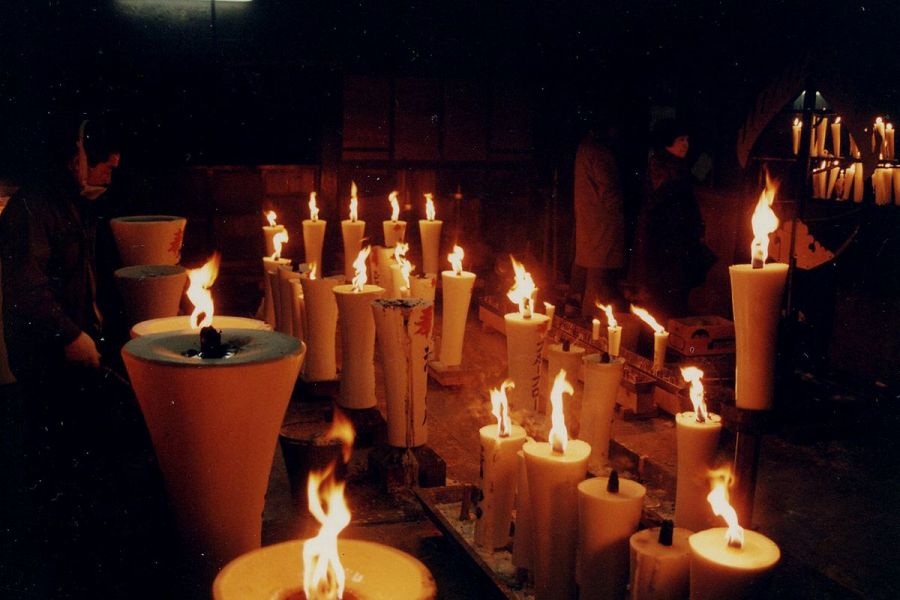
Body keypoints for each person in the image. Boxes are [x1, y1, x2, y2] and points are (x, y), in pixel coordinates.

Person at [0, 116, 177, 598]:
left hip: (78, 350)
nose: (110, 162)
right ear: (69, 156)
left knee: (89, 456)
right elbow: (26, 290)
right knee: (62, 461)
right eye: (94, 154)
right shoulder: (31, 209)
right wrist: (68, 336)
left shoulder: (72, 205)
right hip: (49, 361)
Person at [629, 119, 715, 322]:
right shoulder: (662, 168)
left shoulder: (676, 167)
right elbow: (667, 207)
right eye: (681, 140)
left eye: (687, 139)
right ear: (668, 142)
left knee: (674, 298)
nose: (686, 144)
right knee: (665, 299)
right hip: (664, 248)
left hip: (675, 247)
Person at [571, 120, 626, 317]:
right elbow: (609, 190)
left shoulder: (585, 148)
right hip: (602, 224)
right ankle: (592, 324)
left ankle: (587, 319)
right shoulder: (599, 153)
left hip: (591, 222)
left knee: (593, 273)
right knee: (599, 277)